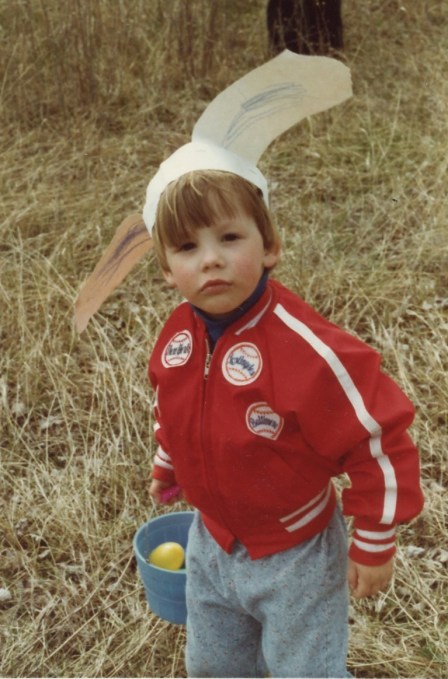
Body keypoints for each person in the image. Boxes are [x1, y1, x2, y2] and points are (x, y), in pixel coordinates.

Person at [148, 169, 424, 678]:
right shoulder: (178, 335)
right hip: (211, 540)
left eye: (230, 237)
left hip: (297, 554)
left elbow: (378, 439)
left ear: (270, 246)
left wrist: (375, 539)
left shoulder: (309, 351)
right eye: (187, 247)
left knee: (305, 670)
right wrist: (170, 460)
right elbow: (174, 406)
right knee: (213, 665)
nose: (210, 259)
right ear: (167, 269)